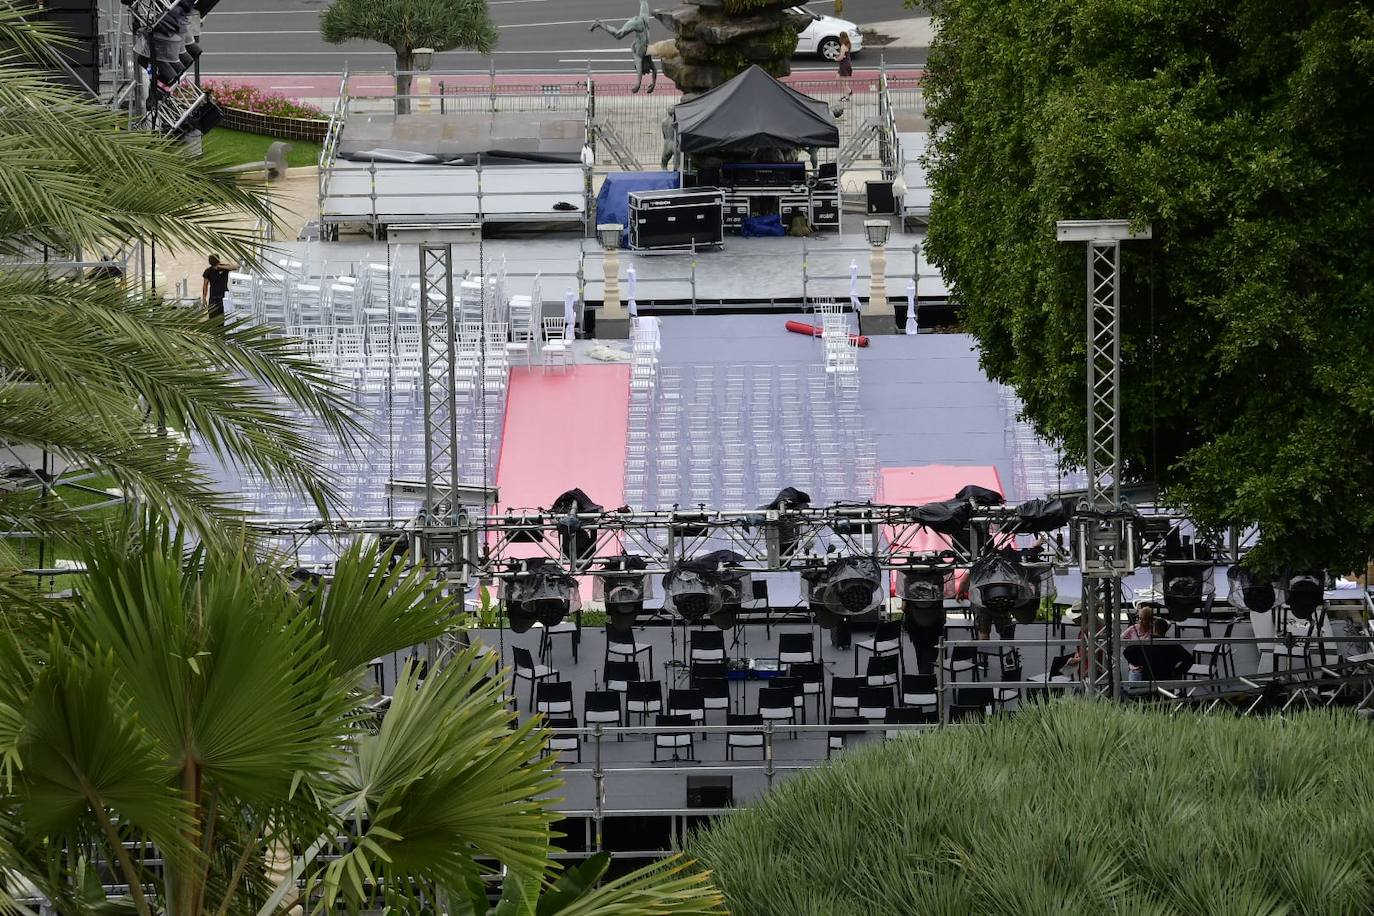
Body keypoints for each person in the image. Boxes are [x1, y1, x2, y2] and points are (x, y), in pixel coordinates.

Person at [1121, 604, 1155, 682]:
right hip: (1135, 669)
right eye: (1139, 618)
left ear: (1150, 619)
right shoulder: (1133, 628)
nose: (1141, 621)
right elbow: (1121, 639)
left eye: (1144, 619)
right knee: (1134, 691)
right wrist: (1129, 647)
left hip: (1149, 668)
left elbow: (1167, 624)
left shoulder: (1153, 629)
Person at [201, 254, 237, 322]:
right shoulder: (208, 271)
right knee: (213, 318)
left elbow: (235, 267)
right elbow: (205, 285)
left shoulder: (224, 268)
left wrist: (221, 267)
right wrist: (204, 298)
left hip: (224, 296)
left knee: (225, 316)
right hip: (213, 297)